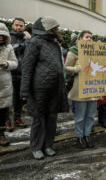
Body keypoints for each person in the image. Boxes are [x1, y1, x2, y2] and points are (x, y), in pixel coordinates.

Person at [21, 16, 68, 159]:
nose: (58, 30)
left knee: (52, 118)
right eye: (56, 28)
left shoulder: (54, 43)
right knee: (38, 119)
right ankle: (36, 147)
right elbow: (27, 68)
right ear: (48, 28)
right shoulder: (35, 42)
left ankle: (48, 145)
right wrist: (24, 90)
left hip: (54, 88)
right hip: (39, 89)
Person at [65, 30, 98, 149]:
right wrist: (75, 69)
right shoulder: (73, 52)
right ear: (80, 39)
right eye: (87, 37)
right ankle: (79, 137)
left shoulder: (97, 52)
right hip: (80, 89)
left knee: (90, 115)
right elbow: (66, 68)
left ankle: (87, 135)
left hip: (93, 88)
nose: (89, 39)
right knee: (80, 116)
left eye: (91, 37)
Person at [8, 18, 30, 131]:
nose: (18, 28)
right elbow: (11, 49)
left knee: (19, 98)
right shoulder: (8, 37)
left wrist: (29, 40)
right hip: (10, 72)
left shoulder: (27, 38)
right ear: (12, 25)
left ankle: (17, 118)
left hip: (22, 73)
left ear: (24, 27)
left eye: (21, 26)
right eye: (16, 25)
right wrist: (24, 43)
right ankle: (6, 121)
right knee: (8, 98)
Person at [0, 23, 18, 146]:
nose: (1, 37)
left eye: (3, 35)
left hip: (4, 84)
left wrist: (7, 64)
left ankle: (1, 135)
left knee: (2, 112)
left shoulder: (9, 47)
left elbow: (15, 63)